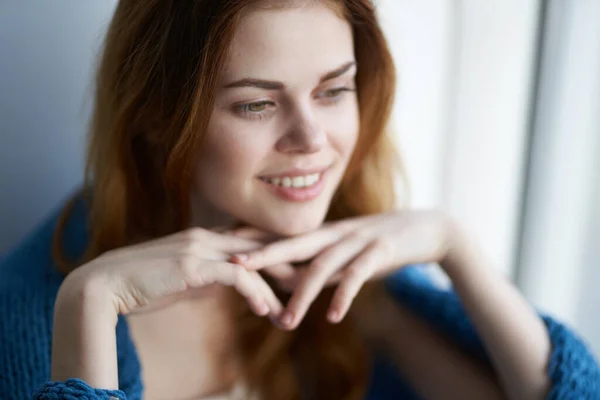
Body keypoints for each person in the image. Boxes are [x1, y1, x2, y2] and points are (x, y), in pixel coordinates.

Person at [1, 1, 598, 399]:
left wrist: (452, 244)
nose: (312, 140)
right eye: (257, 104)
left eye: (334, 90)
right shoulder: (27, 318)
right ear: (157, 118)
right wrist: (90, 302)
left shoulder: (347, 282)